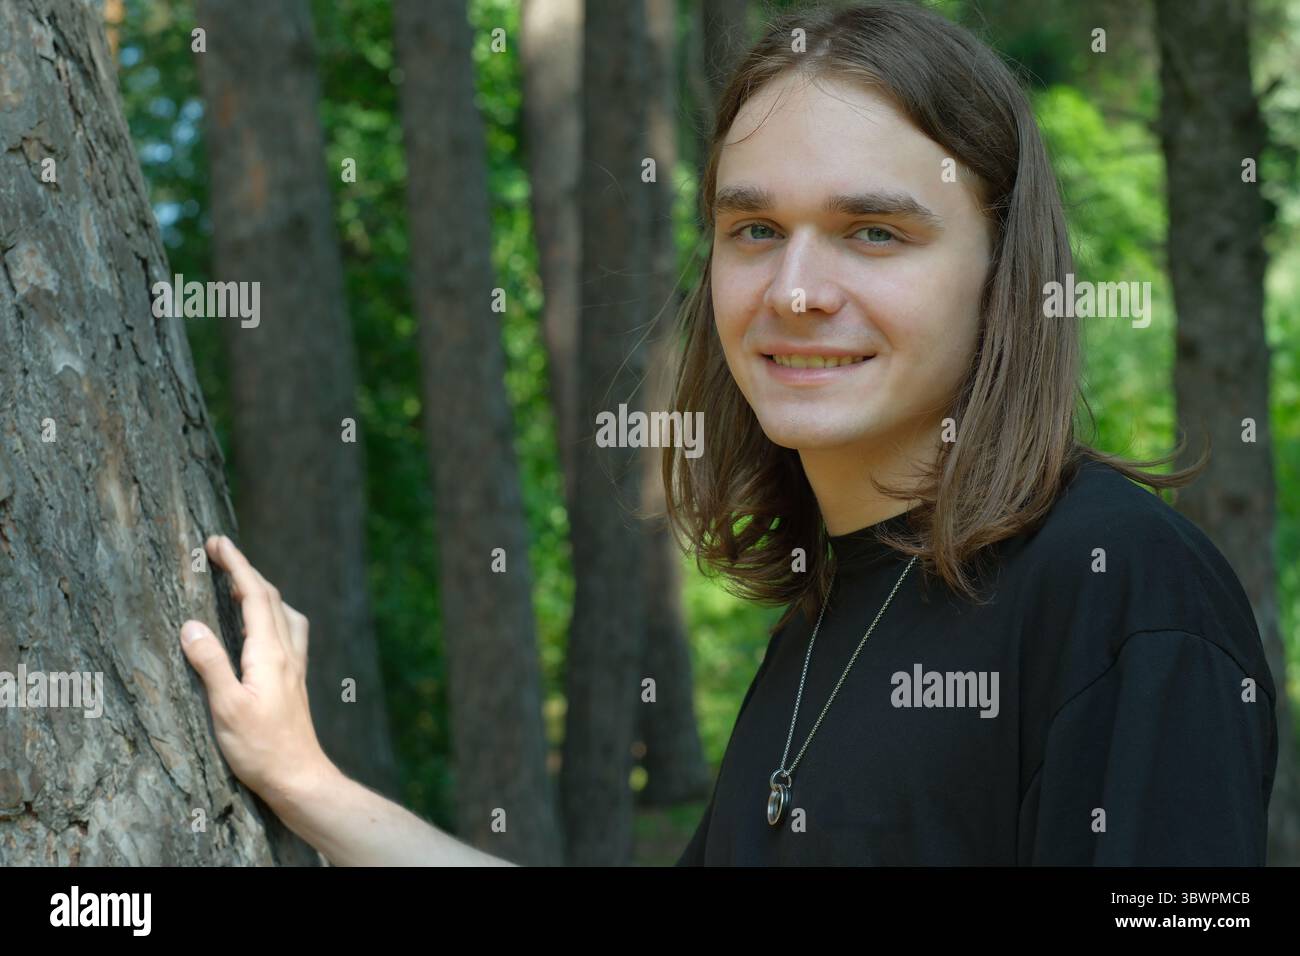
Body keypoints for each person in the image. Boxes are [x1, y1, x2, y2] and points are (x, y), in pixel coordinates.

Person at [180, 1, 1278, 866]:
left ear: (1001, 273)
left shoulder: (1122, 590)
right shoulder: (829, 613)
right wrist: (307, 781)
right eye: (754, 228)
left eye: (873, 232)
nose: (795, 290)